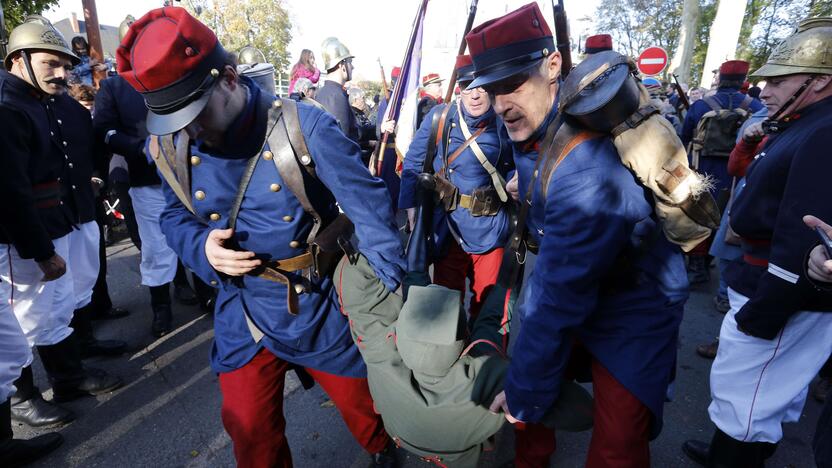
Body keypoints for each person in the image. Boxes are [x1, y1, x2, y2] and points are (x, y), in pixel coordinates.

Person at [117, 7, 405, 467]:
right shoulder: (170, 143)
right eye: (174, 120)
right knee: (249, 430)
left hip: (315, 302)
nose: (188, 129)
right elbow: (172, 214)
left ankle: (384, 450)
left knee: (365, 410)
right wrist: (202, 249)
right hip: (242, 310)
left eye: (194, 112)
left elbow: (371, 212)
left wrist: (394, 307)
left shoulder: (302, 126)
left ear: (229, 77)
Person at [466, 4, 688, 466]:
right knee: (533, 388)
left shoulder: (584, 167)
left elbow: (560, 295)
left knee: (617, 443)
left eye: (512, 84)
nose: (501, 102)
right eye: (492, 89)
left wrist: (523, 393)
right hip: (572, 281)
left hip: (632, 308)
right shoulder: (533, 123)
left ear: (552, 66)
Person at [682, 17, 832, 467]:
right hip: (763, 277)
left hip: (780, 290)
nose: (764, 90)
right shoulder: (800, 122)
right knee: (757, 399)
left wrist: (765, 312)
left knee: (748, 403)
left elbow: (804, 234)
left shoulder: (823, 132)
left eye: (779, 80)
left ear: (820, 80)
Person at [0, 15, 123, 429]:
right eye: (50, 63)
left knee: (54, 307)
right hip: (21, 236)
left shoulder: (37, 101)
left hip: (53, 220)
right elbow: (11, 191)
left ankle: (68, 377)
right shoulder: (8, 105)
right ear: (19, 59)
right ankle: (22, 398)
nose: (61, 73)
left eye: (65, 65)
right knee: (24, 322)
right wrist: (40, 251)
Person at [95, 19, 210, 336]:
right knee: (157, 247)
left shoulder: (171, 73)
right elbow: (103, 130)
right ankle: (161, 309)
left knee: (200, 236)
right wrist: (139, 147)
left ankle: (208, 294)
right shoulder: (114, 87)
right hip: (147, 179)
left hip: (189, 174)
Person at [399, 54, 511, 324]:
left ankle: (486, 362)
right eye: (467, 86)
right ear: (459, 88)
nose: (475, 94)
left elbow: (523, 161)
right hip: (447, 228)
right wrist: (413, 211)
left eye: (482, 86)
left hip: (492, 228)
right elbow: (413, 164)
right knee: (446, 311)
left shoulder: (506, 120)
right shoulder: (440, 117)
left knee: (491, 311)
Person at [681, 60, 764, 284]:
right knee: (725, 215)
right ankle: (709, 261)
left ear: (720, 79)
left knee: (698, 215)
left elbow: (685, 135)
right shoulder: (755, 106)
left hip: (702, 167)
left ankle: (698, 266)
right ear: (743, 80)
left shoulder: (701, 105)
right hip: (737, 172)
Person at [315, 37, 359, 142]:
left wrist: (379, 128)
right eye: (350, 62)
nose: (352, 67)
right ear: (342, 65)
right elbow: (342, 142)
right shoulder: (335, 96)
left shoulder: (328, 92)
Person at [349, 87, 377, 165]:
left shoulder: (361, 113)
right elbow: (355, 136)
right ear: (355, 100)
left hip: (367, 154)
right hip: (361, 156)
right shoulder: (353, 115)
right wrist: (368, 143)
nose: (364, 101)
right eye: (362, 98)